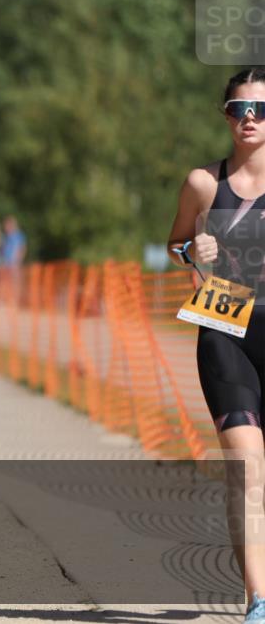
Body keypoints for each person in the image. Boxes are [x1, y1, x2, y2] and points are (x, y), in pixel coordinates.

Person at [167, 66, 265, 624]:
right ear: (224, 114)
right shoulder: (205, 182)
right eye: (238, 109)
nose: (249, 119)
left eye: (261, 109)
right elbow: (175, 241)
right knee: (246, 466)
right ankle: (258, 600)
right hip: (226, 318)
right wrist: (191, 252)